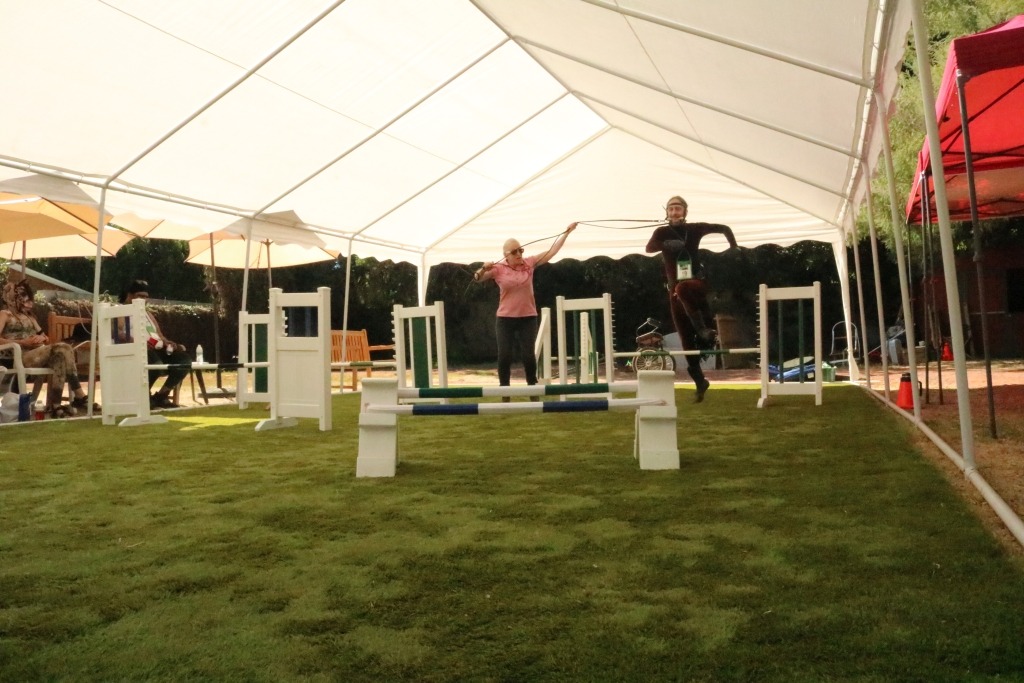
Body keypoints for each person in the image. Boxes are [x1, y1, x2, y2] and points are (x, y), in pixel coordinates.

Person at [646, 196, 738, 402]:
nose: (674, 212)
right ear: (667, 212)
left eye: (678, 208)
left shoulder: (695, 229)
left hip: (696, 284)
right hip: (674, 293)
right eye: (671, 209)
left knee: (683, 287)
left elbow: (724, 228)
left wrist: (734, 246)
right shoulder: (661, 232)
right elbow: (649, 248)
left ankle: (703, 330)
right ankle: (700, 382)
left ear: (685, 212)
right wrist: (666, 244)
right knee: (686, 338)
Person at [474, 223, 577, 394]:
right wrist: (484, 268)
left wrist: (567, 233)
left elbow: (552, 251)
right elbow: (478, 278)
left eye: (520, 250)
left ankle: (532, 389)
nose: (519, 254)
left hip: (528, 317)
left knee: (528, 355)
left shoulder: (530, 263)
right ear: (506, 255)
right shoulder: (498, 269)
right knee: (504, 355)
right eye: (514, 252)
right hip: (505, 319)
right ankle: (504, 391)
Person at [0, 279, 98, 417]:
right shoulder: (5, 314)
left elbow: (45, 337)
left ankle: (55, 405)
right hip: (21, 355)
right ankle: (79, 395)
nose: (28, 304)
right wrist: (23, 342)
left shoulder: (30, 317)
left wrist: (42, 339)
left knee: (60, 358)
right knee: (64, 347)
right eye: (24, 300)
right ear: (13, 299)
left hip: (37, 352)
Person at [119, 280, 191, 409]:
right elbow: (117, 334)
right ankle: (144, 397)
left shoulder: (148, 314)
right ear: (129, 295)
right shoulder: (120, 311)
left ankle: (161, 396)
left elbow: (159, 335)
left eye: (146, 297)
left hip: (157, 348)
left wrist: (167, 342)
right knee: (156, 365)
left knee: (184, 360)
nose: (144, 300)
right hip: (136, 350)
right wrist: (138, 342)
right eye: (140, 296)